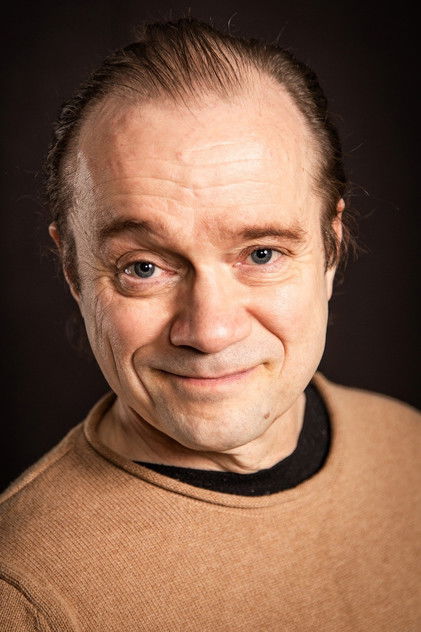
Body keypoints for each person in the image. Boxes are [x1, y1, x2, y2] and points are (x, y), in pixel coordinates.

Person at [0, 18, 419, 632]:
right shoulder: (22, 595)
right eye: (143, 267)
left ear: (331, 249)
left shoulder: (409, 446)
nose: (210, 331)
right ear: (73, 271)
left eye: (262, 254)